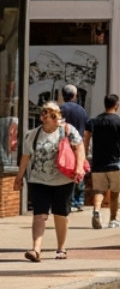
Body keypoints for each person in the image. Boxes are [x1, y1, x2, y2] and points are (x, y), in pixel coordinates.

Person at [14, 102, 86, 261]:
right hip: (38, 180)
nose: (45, 117)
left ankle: (61, 248)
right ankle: (36, 249)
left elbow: (79, 147)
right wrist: (19, 177)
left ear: (57, 117)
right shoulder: (32, 134)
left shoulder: (67, 130)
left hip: (62, 180)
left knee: (60, 214)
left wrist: (79, 167)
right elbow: (26, 156)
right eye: (43, 113)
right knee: (39, 215)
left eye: (50, 114)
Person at [83, 94, 120, 229]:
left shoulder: (93, 122)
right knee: (114, 192)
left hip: (98, 162)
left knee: (99, 190)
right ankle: (113, 219)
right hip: (115, 162)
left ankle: (96, 211)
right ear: (116, 105)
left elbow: (86, 139)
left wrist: (84, 156)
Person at [59, 84, 89, 211]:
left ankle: (68, 200)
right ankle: (79, 201)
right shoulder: (82, 111)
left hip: (62, 145)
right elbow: (86, 131)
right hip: (78, 145)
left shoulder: (59, 110)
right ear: (74, 96)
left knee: (65, 171)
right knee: (79, 170)